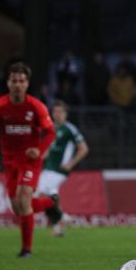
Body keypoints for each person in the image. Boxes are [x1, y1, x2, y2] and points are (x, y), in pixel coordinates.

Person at [0, 63, 56, 258]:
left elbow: (50, 132)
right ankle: (50, 203)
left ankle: (26, 250)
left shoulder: (36, 106)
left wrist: (38, 150)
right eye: (14, 81)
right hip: (9, 162)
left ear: (27, 84)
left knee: (23, 199)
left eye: (21, 81)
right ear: (8, 83)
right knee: (18, 207)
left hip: (30, 161)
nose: (17, 85)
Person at [35, 100, 89, 236]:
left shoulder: (70, 129)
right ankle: (59, 228)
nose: (57, 114)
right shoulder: (51, 129)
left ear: (66, 114)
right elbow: (48, 151)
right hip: (48, 169)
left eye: (60, 112)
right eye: (55, 112)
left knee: (40, 195)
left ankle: (62, 217)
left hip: (59, 170)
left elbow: (84, 149)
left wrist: (70, 164)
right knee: (52, 197)